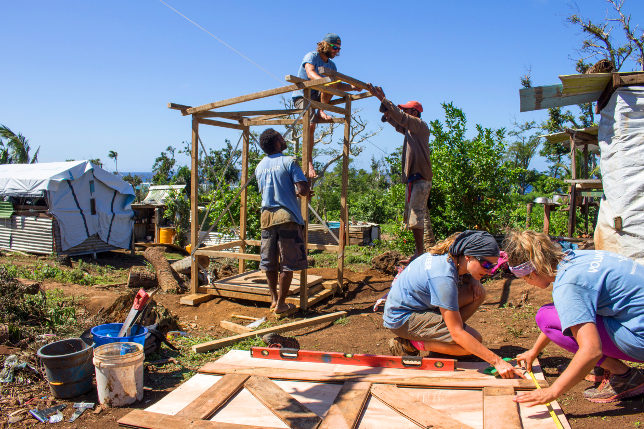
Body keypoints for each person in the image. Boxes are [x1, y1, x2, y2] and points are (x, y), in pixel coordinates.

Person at [504, 230, 644, 404]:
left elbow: (591, 350)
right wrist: (534, 351)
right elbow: (566, 314)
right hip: (633, 320)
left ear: (531, 273)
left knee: (545, 316)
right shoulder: (578, 257)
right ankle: (609, 369)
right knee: (551, 314)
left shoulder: (568, 285)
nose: (527, 283)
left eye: (524, 279)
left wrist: (552, 392)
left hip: (640, 339)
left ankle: (625, 377)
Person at [383, 230, 524, 379]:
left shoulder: (452, 257)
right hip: (402, 319)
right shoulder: (443, 277)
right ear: (468, 256)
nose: (489, 271)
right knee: (472, 341)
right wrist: (497, 361)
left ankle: (443, 339)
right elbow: (457, 332)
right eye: (486, 264)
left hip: (419, 306)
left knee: (477, 292)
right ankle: (409, 343)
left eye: (493, 266)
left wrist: (475, 280)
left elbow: (472, 271)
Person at [366, 83, 434, 262]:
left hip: (420, 179)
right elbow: (398, 123)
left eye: (407, 111)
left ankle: (420, 253)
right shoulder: (411, 131)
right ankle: (423, 251)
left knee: (415, 216)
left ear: (414, 113)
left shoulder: (419, 125)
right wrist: (388, 115)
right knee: (416, 216)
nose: (405, 113)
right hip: (414, 179)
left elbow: (401, 119)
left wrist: (382, 99)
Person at [255, 128, 313, 314]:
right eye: (281, 137)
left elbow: (266, 191)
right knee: (288, 262)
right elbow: (302, 190)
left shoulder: (260, 166)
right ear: (277, 142)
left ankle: (273, 300)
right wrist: (305, 188)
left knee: (269, 261)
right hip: (287, 216)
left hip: (266, 217)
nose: (284, 139)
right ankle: (281, 304)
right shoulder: (289, 161)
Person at [293, 33, 358, 178]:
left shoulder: (331, 65)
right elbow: (310, 73)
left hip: (319, 97)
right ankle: (308, 162)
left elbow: (338, 85)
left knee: (332, 84)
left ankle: (322, 109)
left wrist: (352, 88)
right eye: (335, 47)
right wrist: (326, 82)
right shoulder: (312, 56)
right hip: (303, 95)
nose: (337, 51)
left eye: (339, 48)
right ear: (326, 45)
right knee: (310, 125)